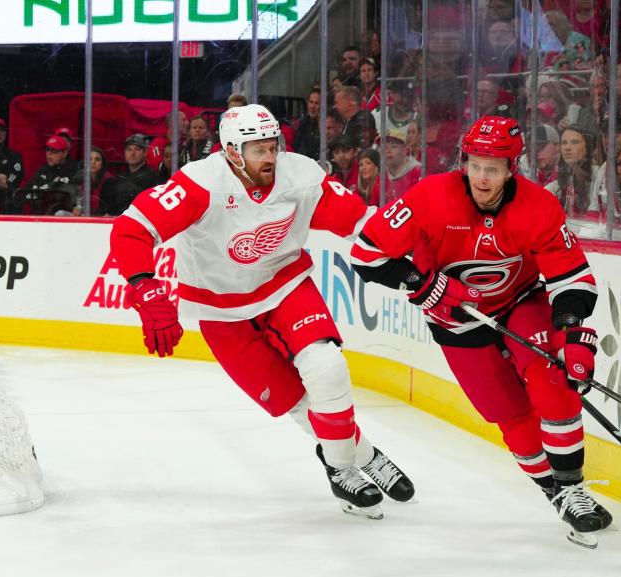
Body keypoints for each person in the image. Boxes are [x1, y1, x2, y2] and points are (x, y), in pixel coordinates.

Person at [109, 104, 414, 518]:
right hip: (222, 314)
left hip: (285, 285)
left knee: (327, 367)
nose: (269, 157)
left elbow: (361, 221)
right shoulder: (200, 184)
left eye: (273, 146)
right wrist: (144, 287)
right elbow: (131, 229)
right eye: (258, 150)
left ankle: (340, 467)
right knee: (299, 402)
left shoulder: (300, 175)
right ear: (232, 151)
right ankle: (362, 453)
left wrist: (406, 251)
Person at [350, 115, 612, 540]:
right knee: (509, 415)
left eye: (493, 168)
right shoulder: (430, 197)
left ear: (513, 168)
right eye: (475, 165)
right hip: (455, 320)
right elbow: (366, 255)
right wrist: (423, 284)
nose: (482, 177)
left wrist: (568, 332)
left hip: (521, 299)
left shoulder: (539, 205)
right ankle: (554, 492)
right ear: (463, 162)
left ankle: (573, 489)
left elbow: (570, 276)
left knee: (553, 384)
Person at [107, 133, 159, 215]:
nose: (132, 153)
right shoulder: (120, 177)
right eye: (129, 149)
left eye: (137, 149)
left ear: (145, 153)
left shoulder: (151, 177)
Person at [0, 118, 24, 214]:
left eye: (1, 130)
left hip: (5, 202)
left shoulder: (14, 156)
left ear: (5, 134)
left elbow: (9, 182)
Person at [292, 87, 322, 158]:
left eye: (317, 103)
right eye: (311, 102)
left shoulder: (326, 126)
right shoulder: (302, 123)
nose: (313, 106)